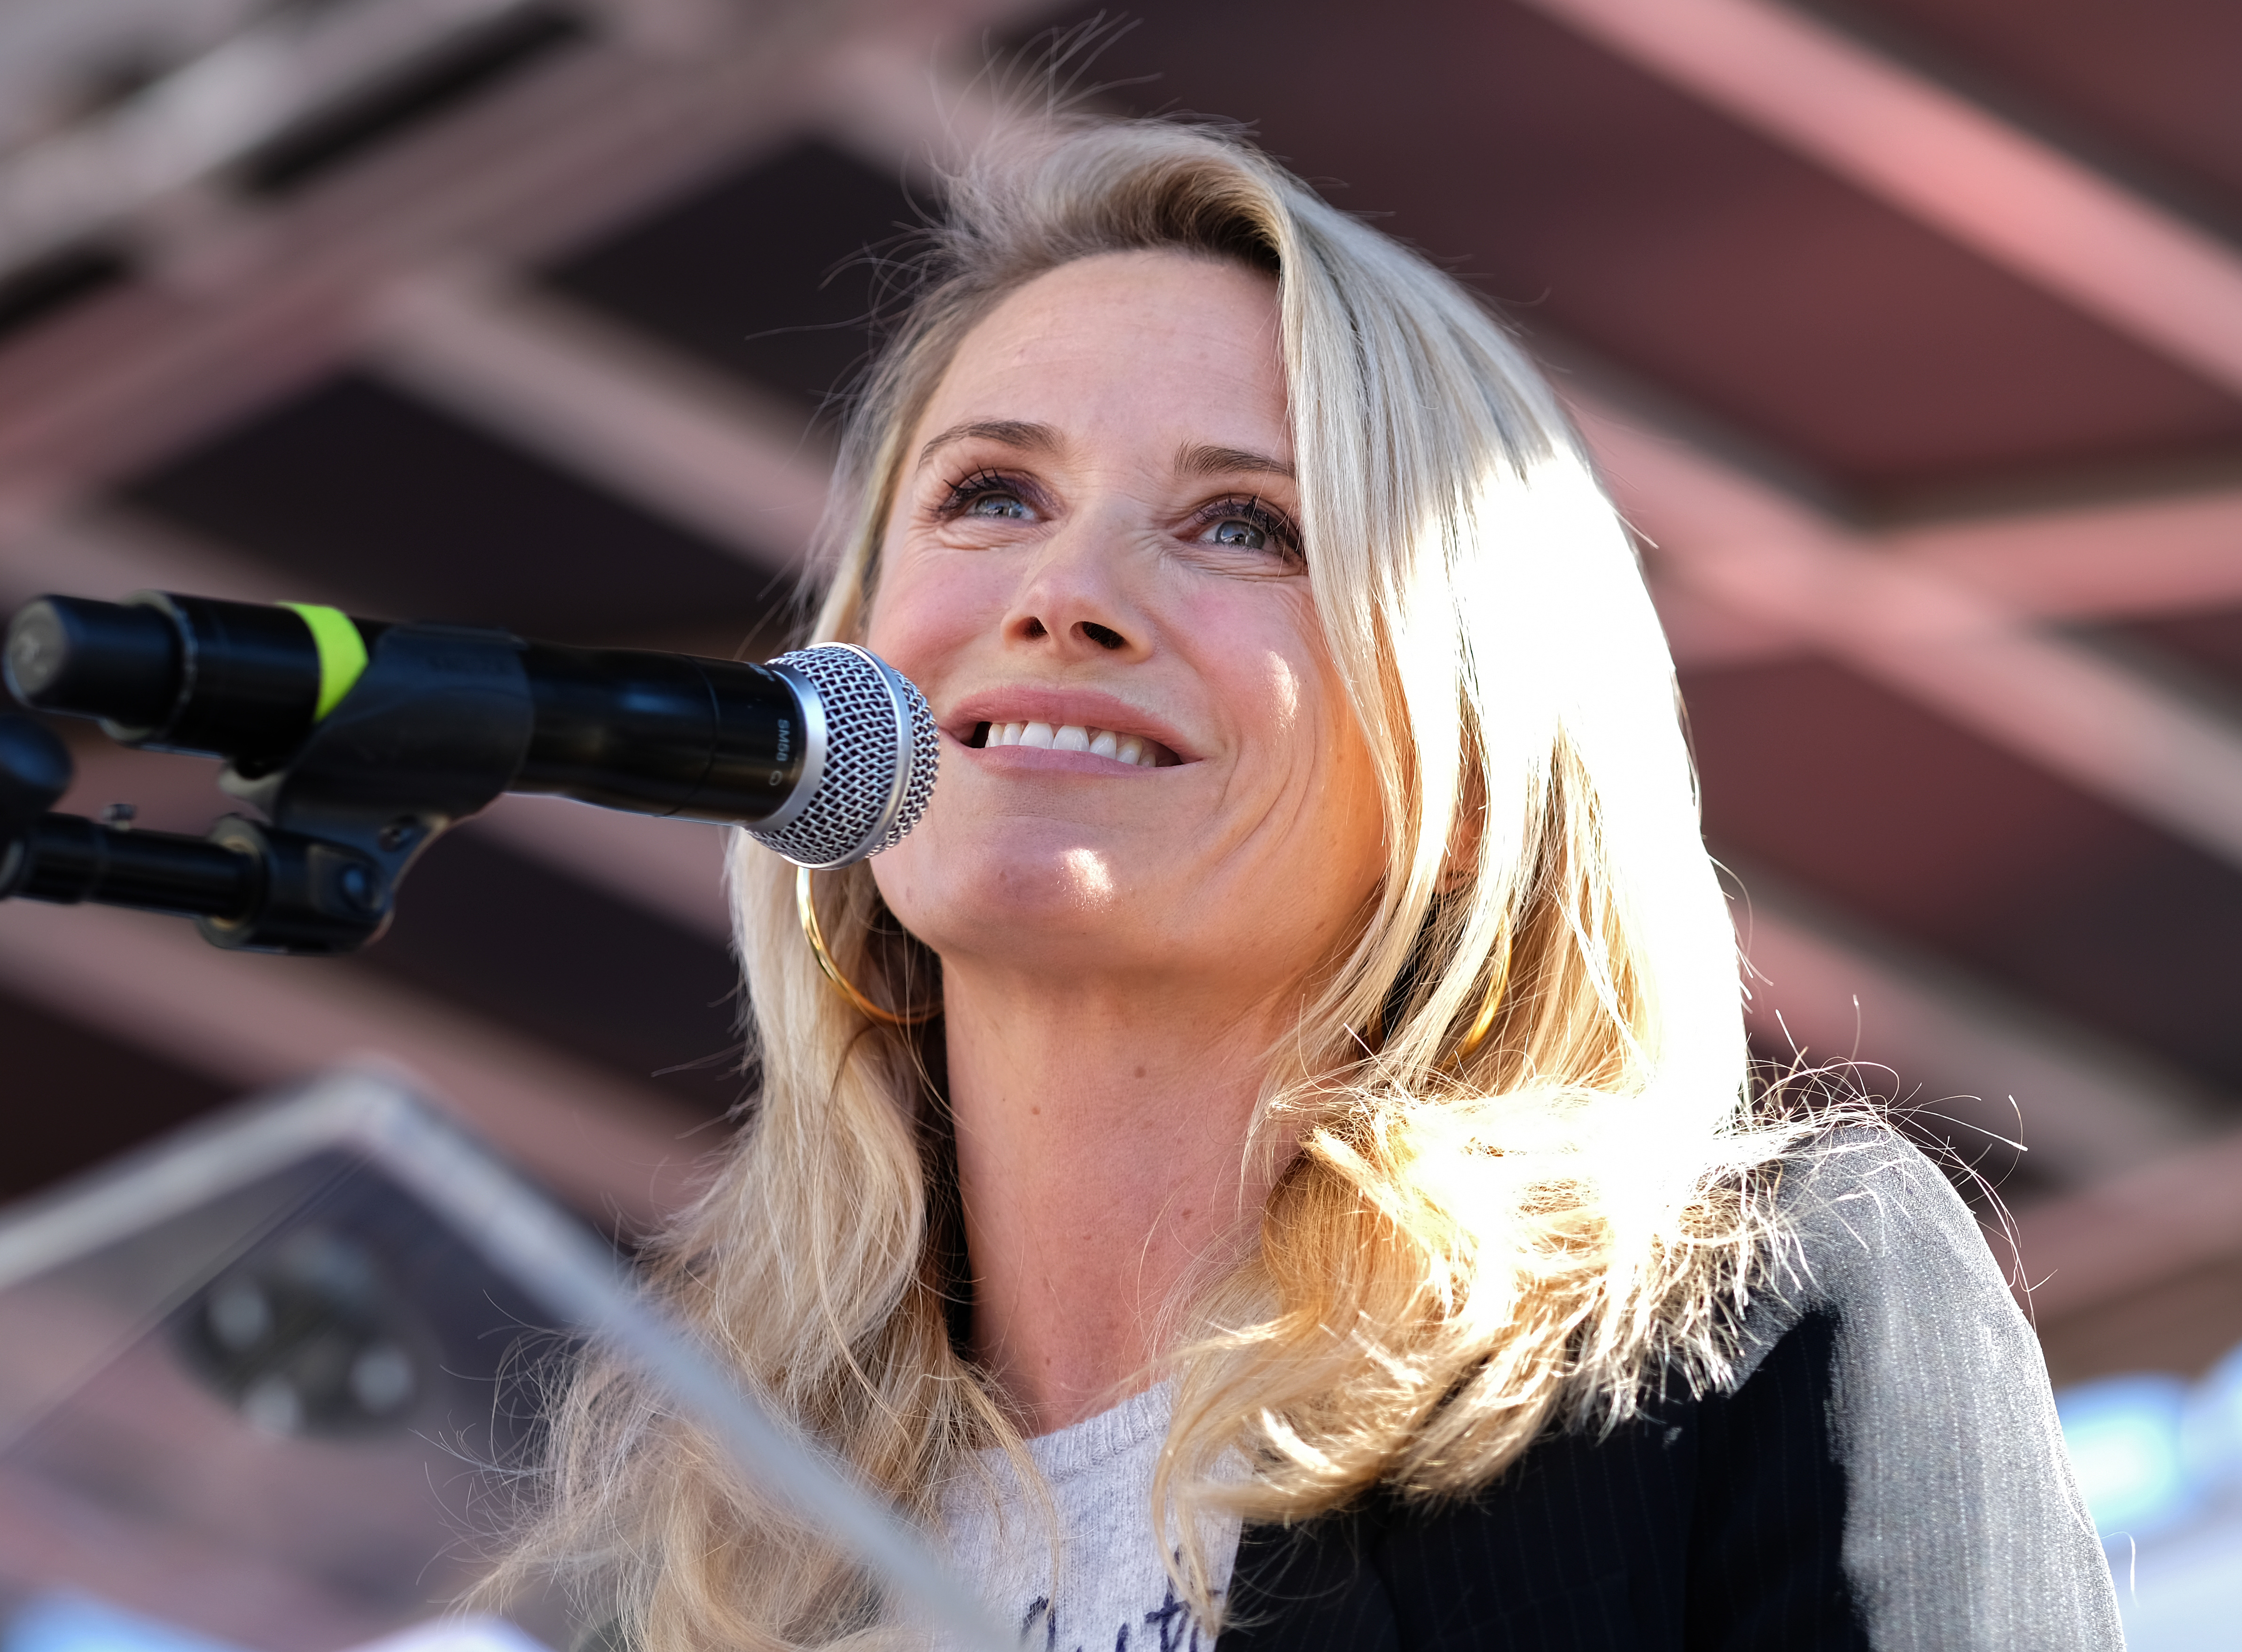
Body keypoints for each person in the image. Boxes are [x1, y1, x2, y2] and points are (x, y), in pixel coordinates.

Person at [496, 117, 2123, 1651]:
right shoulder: (686, 1573)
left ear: (1476, 774)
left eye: (1244, 525)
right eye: (992, 494)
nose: (1065, 591)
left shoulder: (1748, 1322)